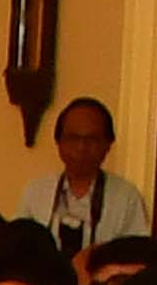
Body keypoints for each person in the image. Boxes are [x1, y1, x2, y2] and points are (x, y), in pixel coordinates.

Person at [24, 102, 148, 257]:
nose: (81, 147)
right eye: (73, 138)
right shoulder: (36, 192)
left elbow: (137, 257)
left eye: (92, 139)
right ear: (58, 142)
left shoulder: (126, 197)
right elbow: (16, 249)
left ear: (108, 145)